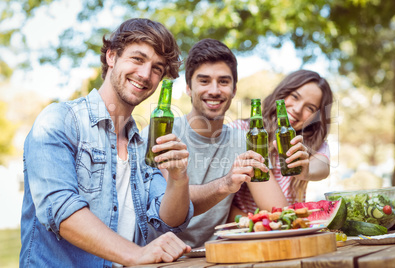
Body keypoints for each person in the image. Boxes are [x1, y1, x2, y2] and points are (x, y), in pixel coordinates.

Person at [20, 18, 194, 267]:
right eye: (137, 59)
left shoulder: (142, 142)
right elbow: (60, 210)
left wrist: (178, 178)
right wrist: (136, 254)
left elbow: (168, 221)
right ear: (112, 57)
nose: (145, 74)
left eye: (157, 68)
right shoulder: (59, 121)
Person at [142, 39, 308, 248]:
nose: (214, 90)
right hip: (161, 257)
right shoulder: (162, 132)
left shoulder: (244, 141)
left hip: (216, 256)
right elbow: (167, 201)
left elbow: (280, 211)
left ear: (234, 89)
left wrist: (301, 169)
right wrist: (225, 183)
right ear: (188, 88)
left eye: (223, 82)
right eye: (204, 81)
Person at [229, 69, 333, 216]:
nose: (297, 109)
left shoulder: (311, 142)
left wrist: (306, 172)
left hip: (287, 228)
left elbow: (322, 166)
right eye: (295, 97)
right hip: (248, 229)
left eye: (310, 108)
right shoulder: (241, 130)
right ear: (282, 93)